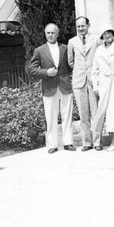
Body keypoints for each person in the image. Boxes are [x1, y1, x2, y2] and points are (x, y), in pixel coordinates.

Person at [29, 23, 74, 154]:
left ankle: (68, 142)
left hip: (65, 86)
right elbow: (32, 69)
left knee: (67, 114)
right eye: (48, 33)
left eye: (53, 33)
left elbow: (71, 64)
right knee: (51, 116)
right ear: (45, 34)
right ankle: (52, 144)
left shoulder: (65, 48)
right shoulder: (39, 50)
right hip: (49, 87)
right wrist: (46, 72)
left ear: (57, 34)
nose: (50, 35)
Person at [68, 16, 102, 151]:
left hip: (93, 80)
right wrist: (79, 70)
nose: (81, 29)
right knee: (83, 114)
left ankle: (98, 141)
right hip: (79, 81)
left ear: (88, 25)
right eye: (78, 27)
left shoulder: (96, 40)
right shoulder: (72, 42)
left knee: (96, 112)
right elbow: (71, 61)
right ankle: (87, 142)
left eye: (83, 26)